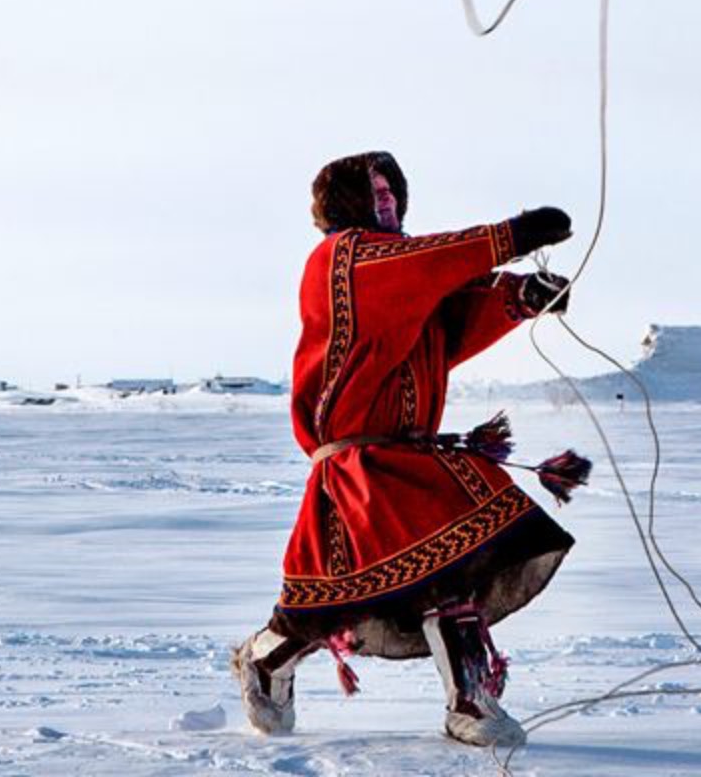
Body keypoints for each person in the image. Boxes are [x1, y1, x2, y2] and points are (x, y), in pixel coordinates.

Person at [231, 150, 577, 747]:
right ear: (345, 204)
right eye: (373, 190)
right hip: (355, 463)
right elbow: (428, 267)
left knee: (459, 564)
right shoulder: (345, 258)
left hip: (404, 455)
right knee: (328, 604)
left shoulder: (402, 273)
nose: (386, 198)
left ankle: (470, 699)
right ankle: (265, 660)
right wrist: (508, 237)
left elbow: (450, 321)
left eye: (391, 188)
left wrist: (521, 296)